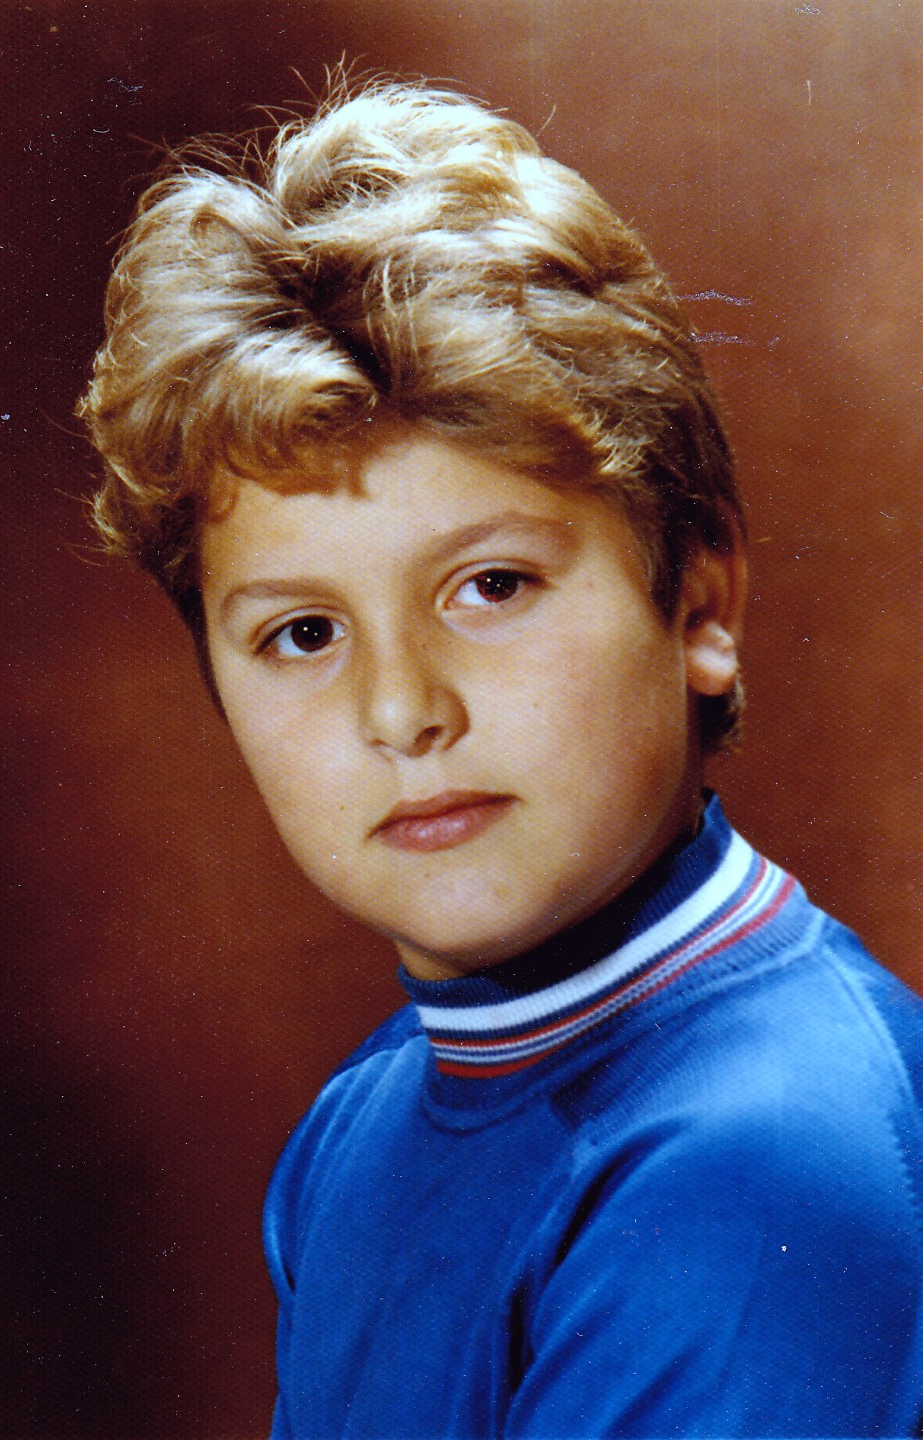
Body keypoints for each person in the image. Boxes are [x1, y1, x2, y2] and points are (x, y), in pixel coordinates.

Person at [79, 78, 923, 1438]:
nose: (401, 710)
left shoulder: (754, 1158)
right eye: (303, 633)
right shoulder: (364, 1123)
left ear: (699, 606)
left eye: (490, 586)